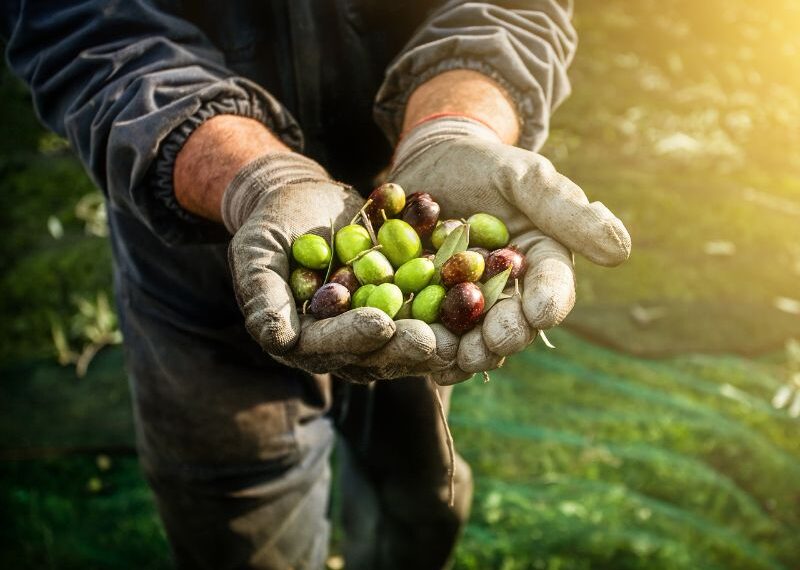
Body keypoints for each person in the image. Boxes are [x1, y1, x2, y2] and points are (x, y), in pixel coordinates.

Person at [2, 1, 630, 568]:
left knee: (417, 491)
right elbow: (85, 30)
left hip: (414, 190)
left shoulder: (426, 257)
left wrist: (454, 126)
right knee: (240, 521)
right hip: (196, 247)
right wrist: (257, 179)